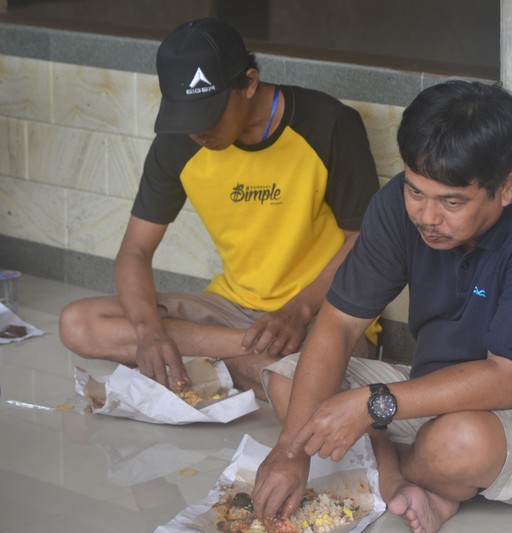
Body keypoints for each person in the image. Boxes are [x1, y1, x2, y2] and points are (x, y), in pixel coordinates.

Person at [251, 80, 512, 533]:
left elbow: (508, 381)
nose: (426, 216)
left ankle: (399, 470)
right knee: (290, 377)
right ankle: (406, 478)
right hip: (433, 391)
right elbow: (339, 325)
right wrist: (290, 450)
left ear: (505, 187)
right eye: (416, 191)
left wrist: (371, 405)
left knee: (458, 444)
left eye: (452, 202)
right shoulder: (397, 206)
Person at [59, 18, 380, 399]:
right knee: (78, 323)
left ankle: (225, 362)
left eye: (207, 115)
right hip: (230, 309)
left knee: (300, 385)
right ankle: (250, 358)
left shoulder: (329, 124)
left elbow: (363, 242)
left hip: (321, 309)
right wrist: (150, 332)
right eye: (185, 117)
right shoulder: (179, 143)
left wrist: (300, 310)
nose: (198, 132)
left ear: (249, 83)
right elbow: (135, 250)